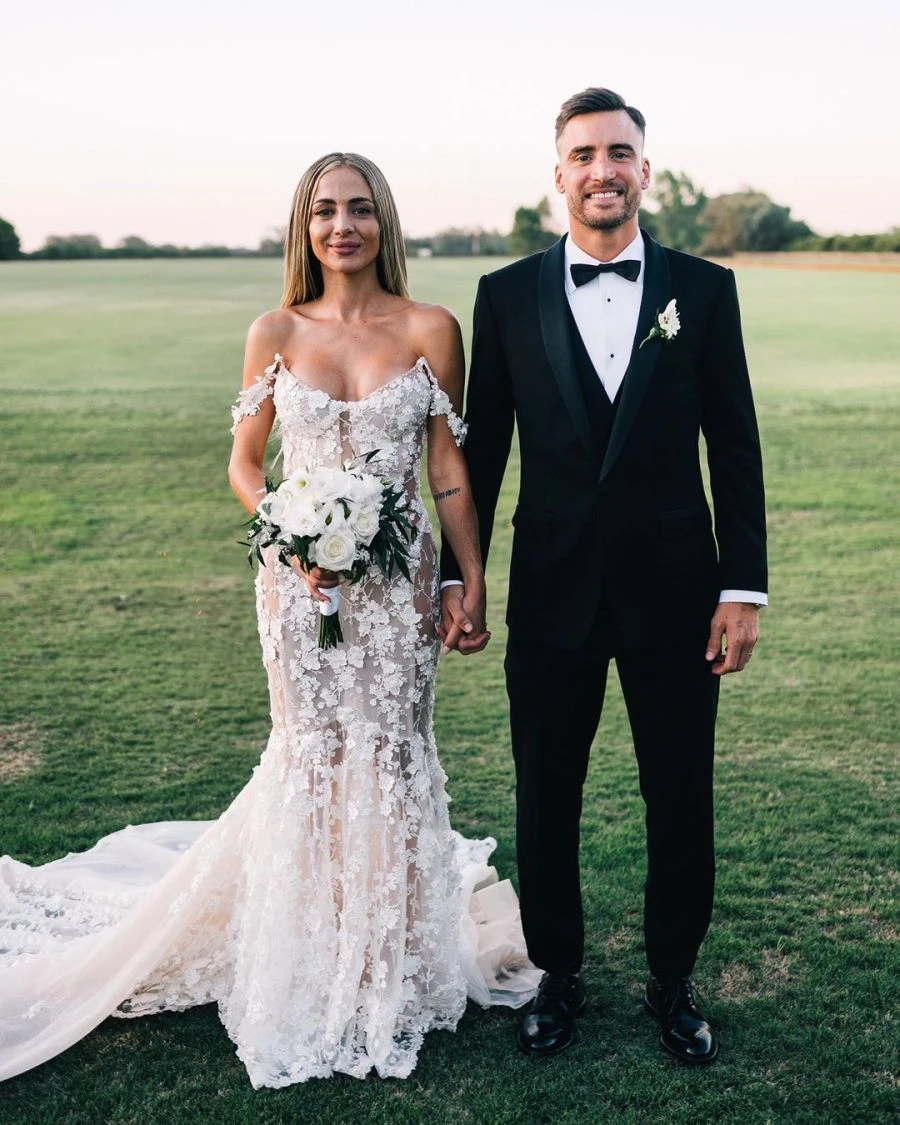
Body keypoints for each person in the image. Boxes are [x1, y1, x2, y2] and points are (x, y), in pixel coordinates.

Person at [0, 152, 538, 1088]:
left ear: (384, 222)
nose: (343, 227)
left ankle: (390, 962)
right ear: (305, 225)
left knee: (393, 751)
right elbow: (246, 463)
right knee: (315, 753)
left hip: (397, 592)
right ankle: (313, 953)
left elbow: (447, 468)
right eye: (325, 211)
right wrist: (284, 525)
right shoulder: (275, 330)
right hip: (299, 590)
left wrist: (470, 576)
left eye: (360, 210)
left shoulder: (431, 328)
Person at [441, 88, 767, 1064]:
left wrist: (741, 588)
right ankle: (558, 978)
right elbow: (479, 453)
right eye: (584, 154)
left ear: (645, 171)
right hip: (552, 590)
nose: (603, 169)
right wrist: (465, 578)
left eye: (619, 152)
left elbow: (735, 447)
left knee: (681, 793)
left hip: (678, 592)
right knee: (547, 794)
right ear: (559, 175)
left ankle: (673, 983)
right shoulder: (504, 296)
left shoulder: (702, 291)